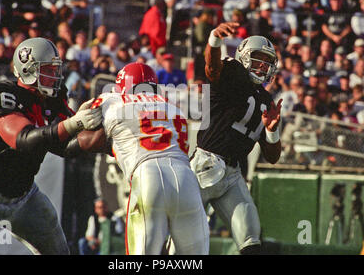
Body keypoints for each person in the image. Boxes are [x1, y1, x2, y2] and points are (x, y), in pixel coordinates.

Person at [0, 37, 103, 255]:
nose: (55, 76)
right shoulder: (2, 94)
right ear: (29, 70)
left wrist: (104, 129)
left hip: (24, 196)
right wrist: (75, 123)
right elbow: (22, 139)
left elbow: (65, 146)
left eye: (55, 69)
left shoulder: (52, 96)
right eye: (48, 70)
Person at [75, 62, 209, 255]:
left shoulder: (112, 100)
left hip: (148, 175)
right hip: (186, 179)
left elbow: (84, 137)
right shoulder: (173, 107)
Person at [190, 22, 282, 255]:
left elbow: (272, 157)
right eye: (258, 59)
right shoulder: (232, 73)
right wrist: (214, 40)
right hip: (204, 166)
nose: (262, 66)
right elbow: (212, 69)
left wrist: (272, 130)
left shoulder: (266, 100)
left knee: (251, 241)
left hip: (233, 176)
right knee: (184, 243)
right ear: (243, 55)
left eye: (267, 62)